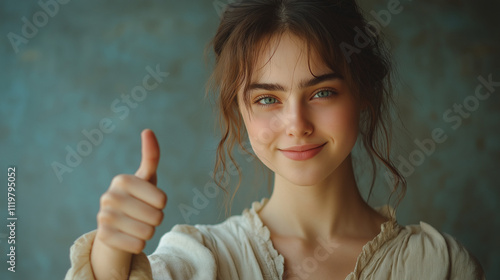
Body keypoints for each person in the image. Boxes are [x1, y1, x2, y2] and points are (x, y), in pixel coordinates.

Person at [65, 0, 485, 279]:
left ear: (364, 95)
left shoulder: (438, 264)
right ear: (240, 111)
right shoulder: (204, 259)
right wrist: (109, 256)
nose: (296, 123)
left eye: (322, 92)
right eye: (268, 98)